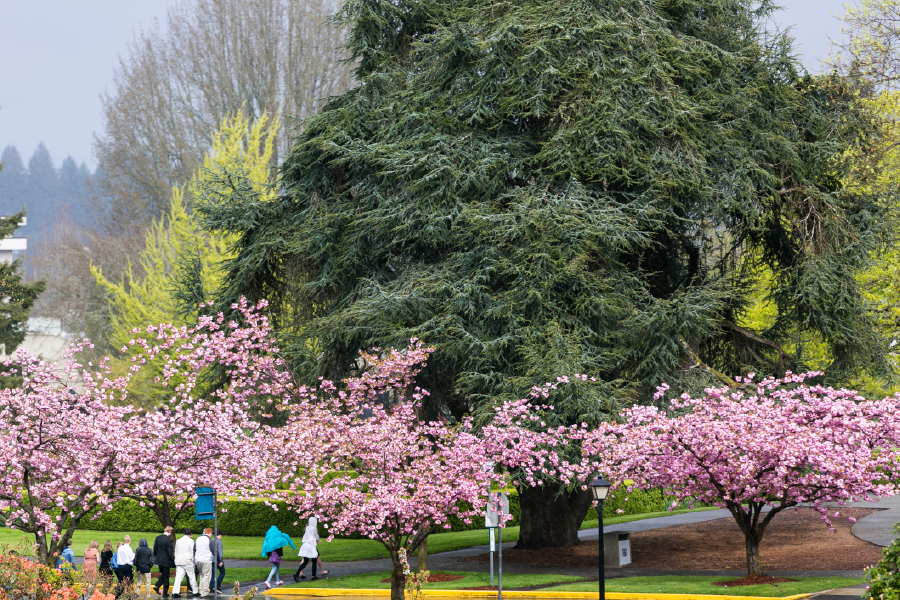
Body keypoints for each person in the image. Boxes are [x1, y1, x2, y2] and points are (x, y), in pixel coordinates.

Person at [260, 525, 295, 590]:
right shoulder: (280, 534)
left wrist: (263, 553)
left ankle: (278, 580)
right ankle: (267, 581)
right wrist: (293, 546)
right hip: (276, 553)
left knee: (277, 566)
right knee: (274, 567)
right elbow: (288, 537)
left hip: (270, 553)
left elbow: (264, 545)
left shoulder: (268, 536)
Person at [172, 528, 198, 598]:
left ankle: (175, 592)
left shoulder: (178, 541)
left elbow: (176, 551)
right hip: (187, 561)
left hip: (179, 561)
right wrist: (193, 561)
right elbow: (192, 552)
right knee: (192, 577)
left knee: (178, 577)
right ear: (191, 534)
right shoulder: (191, 541)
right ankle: (195, 591)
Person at [153, 526, 176, 597]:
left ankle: (157, 585)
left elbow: (155, 549)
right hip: (166, 560)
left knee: (163, 573)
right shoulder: (168, 540)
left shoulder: (158, 538)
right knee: (166, 577)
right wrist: (172, 559)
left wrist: (157, 556)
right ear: (170, 532)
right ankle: (164, 592)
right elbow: (169, 552)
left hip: (159, 560)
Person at [194, 528, 214, 597]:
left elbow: (194, 549)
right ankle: (204, 593)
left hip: (198, 560)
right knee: (206, 576)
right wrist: (219, 559)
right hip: (206, 560)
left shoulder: (198, 538)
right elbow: (213, 550)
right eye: (212, 533)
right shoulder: (209, 540)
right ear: (210, 533)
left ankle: (201, 590)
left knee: (202, 575)